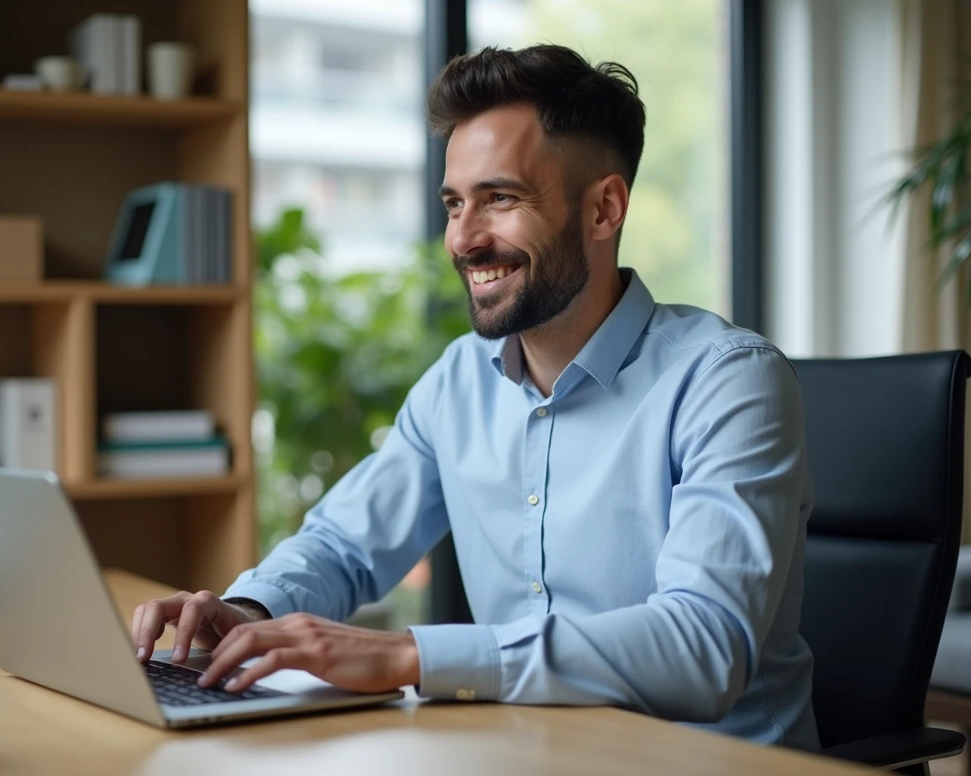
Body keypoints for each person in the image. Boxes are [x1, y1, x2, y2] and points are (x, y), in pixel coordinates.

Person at [131, 44, 818, 749]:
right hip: (529, 753)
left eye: (501, 199)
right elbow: (344, 544)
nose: (462, 239)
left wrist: (410, 656)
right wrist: (250, 610)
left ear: (604, 209)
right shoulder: (459, 379)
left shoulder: (729, 381)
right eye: (455, 203)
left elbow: (704, 647)